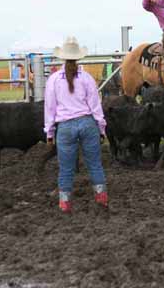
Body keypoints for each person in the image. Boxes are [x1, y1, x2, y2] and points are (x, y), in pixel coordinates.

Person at [44, 36, 108, 213]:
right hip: (87, 123)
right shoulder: (86, 78)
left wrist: (49, 133)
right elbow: (96, 106)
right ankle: (101, 198)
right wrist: (101, 128)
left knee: (66, 169)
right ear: (79, 57)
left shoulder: (54, 79)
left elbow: (50, 108)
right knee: (95, 164)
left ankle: (65, 204)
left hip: (65, 127)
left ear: (62, 57)